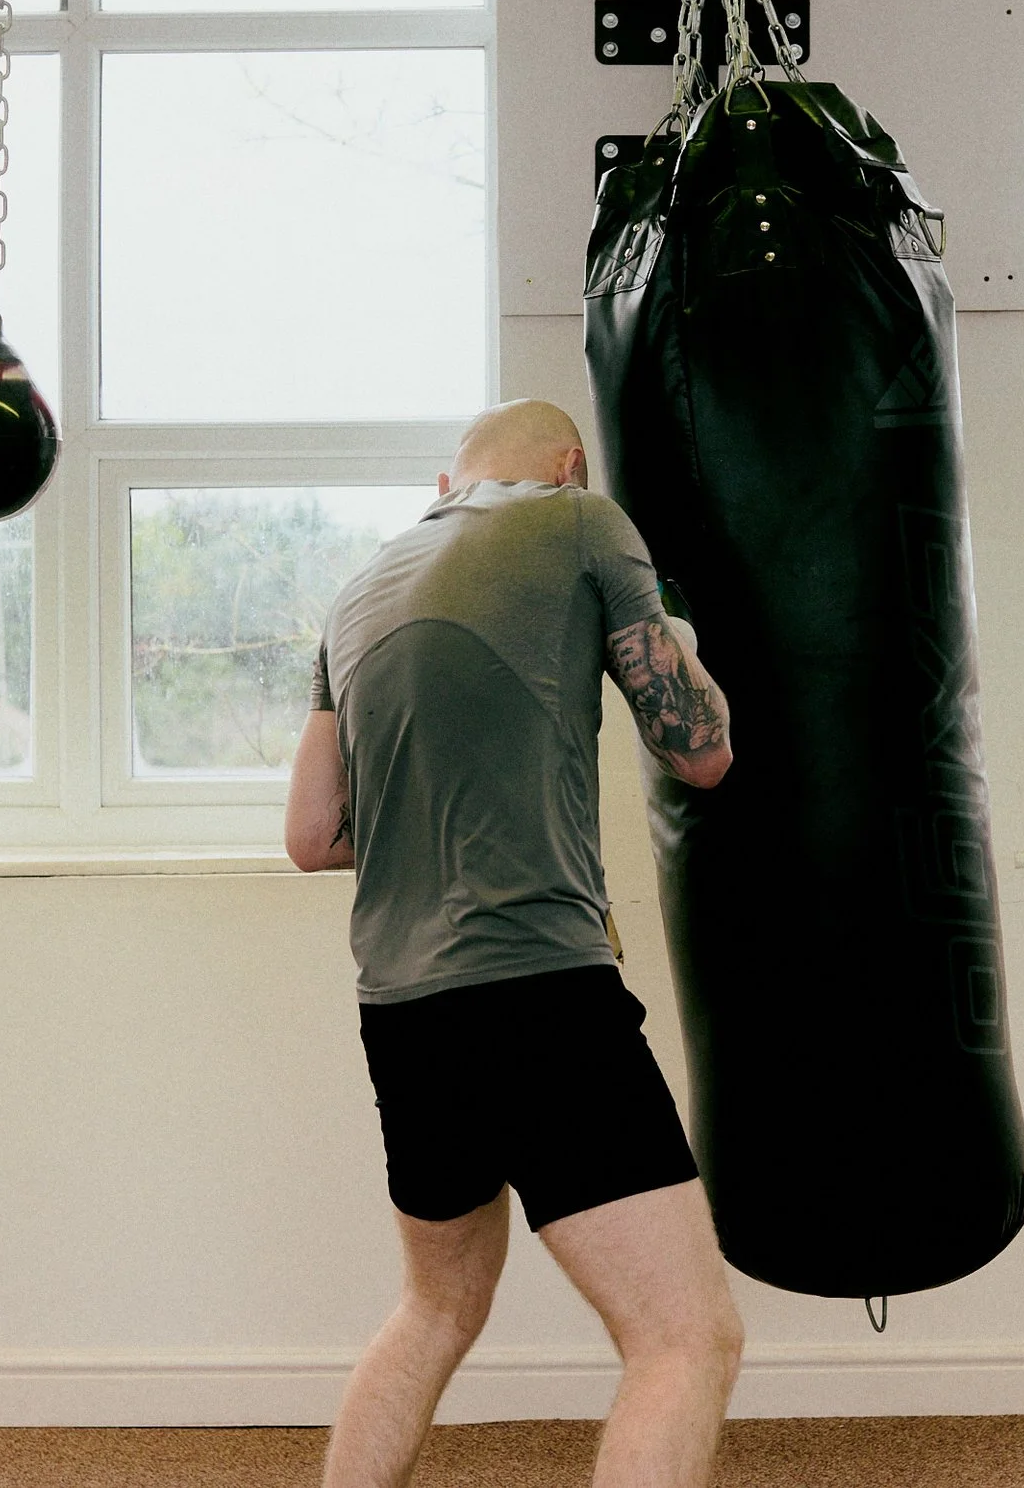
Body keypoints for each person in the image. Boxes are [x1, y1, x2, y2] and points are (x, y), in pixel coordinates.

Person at [285, 399, 742, 1488]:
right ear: (565, 466)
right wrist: (677, 634)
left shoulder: (357, 594)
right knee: (686, 1337)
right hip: (537, 994)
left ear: (449, 486)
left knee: (436, 1304)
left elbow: (312, 835)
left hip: (401, 1012)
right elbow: (701, 754)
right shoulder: (580, 521)